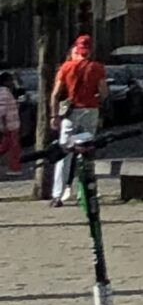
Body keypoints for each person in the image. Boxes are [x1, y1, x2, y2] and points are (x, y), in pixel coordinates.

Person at [50, 34, 107, 206]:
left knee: (64, 152)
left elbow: (55, 94)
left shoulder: (66, 67)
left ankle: (57, 195)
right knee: (87, 151)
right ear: (90, 50)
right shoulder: (97, 68)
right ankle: (85, 192)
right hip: (90, 111)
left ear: (77, 49)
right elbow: (104, 92)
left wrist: (54, 115)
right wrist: (96, 99)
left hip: (71, 112)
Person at [0, 72, 20, 177]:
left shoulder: (7, 92)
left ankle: (14, 168)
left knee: (5, 146)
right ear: (5, 82)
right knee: (14, 148)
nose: (12, 82)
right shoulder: (4, 92)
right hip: (10, 125)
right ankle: (14, 168)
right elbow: (2, 111)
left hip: (12, 124)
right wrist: (3, 125)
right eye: (10, 80)